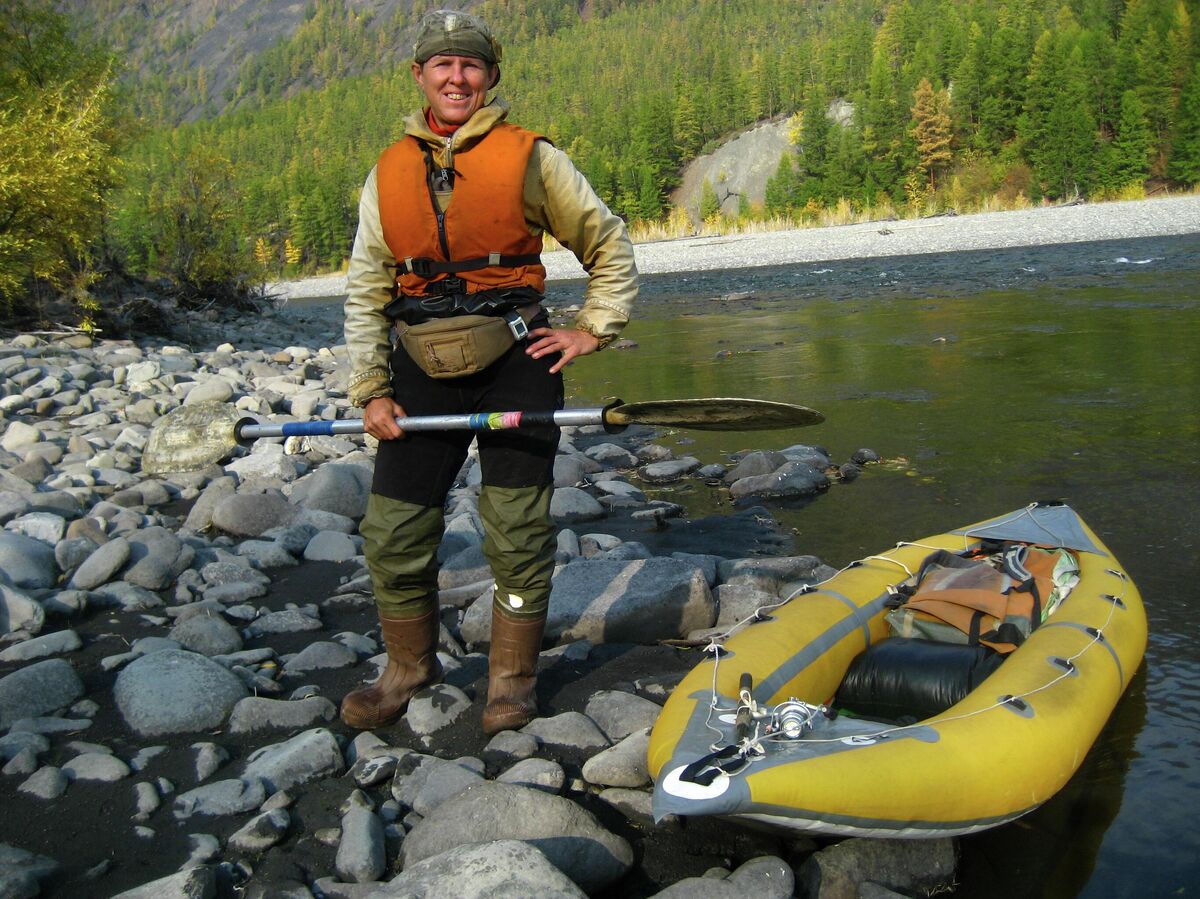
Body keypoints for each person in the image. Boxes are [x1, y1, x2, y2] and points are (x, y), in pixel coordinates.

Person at [341, 8, 637, 736]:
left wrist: (592, 328)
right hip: (419, 369)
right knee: (393, 533)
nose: (456, 77)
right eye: (442, 65)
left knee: (516, 533)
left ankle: (511, 680)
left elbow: (608, 243)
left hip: (518, 362)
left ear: (490, 77)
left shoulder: (532, 158)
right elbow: (366, 287)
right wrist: (371, 387)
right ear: (419, 76)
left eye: (470, 65)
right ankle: (409, 667)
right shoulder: (387, 174)